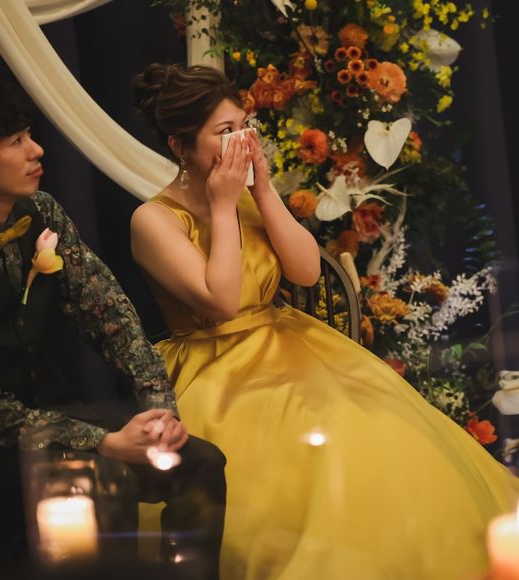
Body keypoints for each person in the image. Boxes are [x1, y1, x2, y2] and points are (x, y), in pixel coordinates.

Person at [129, 63, 519, 580]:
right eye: (224, 132)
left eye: (244, 126)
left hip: (288, 342)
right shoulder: (153, 219)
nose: (241, 141)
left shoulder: (245, 197)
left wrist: (263, 191)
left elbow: (306, 272)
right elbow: (220, 302)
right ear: (180, 146)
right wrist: (222, 208)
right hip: (215, 364)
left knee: (376, 425)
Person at [0, 74, 226, 580]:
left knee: (201, 462)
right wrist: (104, 442)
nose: (36, 149)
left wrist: (160, 411)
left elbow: (112, 318)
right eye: (16, 141)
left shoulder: (42, 211)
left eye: (30, 134)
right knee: (105, 476)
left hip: (63, 415)